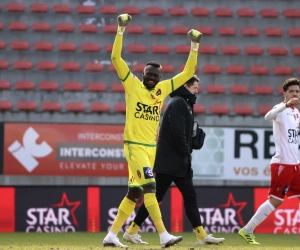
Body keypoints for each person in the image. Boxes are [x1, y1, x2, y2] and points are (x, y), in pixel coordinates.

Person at [103, 14, 202, 248]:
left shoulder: (163, 89)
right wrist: (120, 30)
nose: (152, 79)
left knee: (134, 193)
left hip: (150, 149)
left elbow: (188, 73)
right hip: (134, 145)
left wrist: (194, 45)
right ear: (143, 73)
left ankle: (111, 235)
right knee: (150, 187)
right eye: (149, 74)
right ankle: (163, 234)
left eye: (156, 76)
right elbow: (115, 57)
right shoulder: (132, 84)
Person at [123, 75, 225, 245]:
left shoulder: (184, 104)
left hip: (178, 162)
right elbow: (177, 133)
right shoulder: (178, 103)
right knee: (156, 196)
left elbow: (184, 134)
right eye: (194, 87)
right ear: (185, 86)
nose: (197, 90)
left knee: (188, 196)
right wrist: (186, 151)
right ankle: (131, 230)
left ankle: (201, 235)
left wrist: (194, 141)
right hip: (170, 162)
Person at [239, 78, 300, 244]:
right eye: (292, 91)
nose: (295, 94)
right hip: (282, 164)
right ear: (285, 93)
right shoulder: (280, 109)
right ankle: (247, 230)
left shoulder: (296, 113)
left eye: (297, 91)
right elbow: (267, 117)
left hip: (295, 164)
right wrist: (285, 105)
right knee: (276, 200)